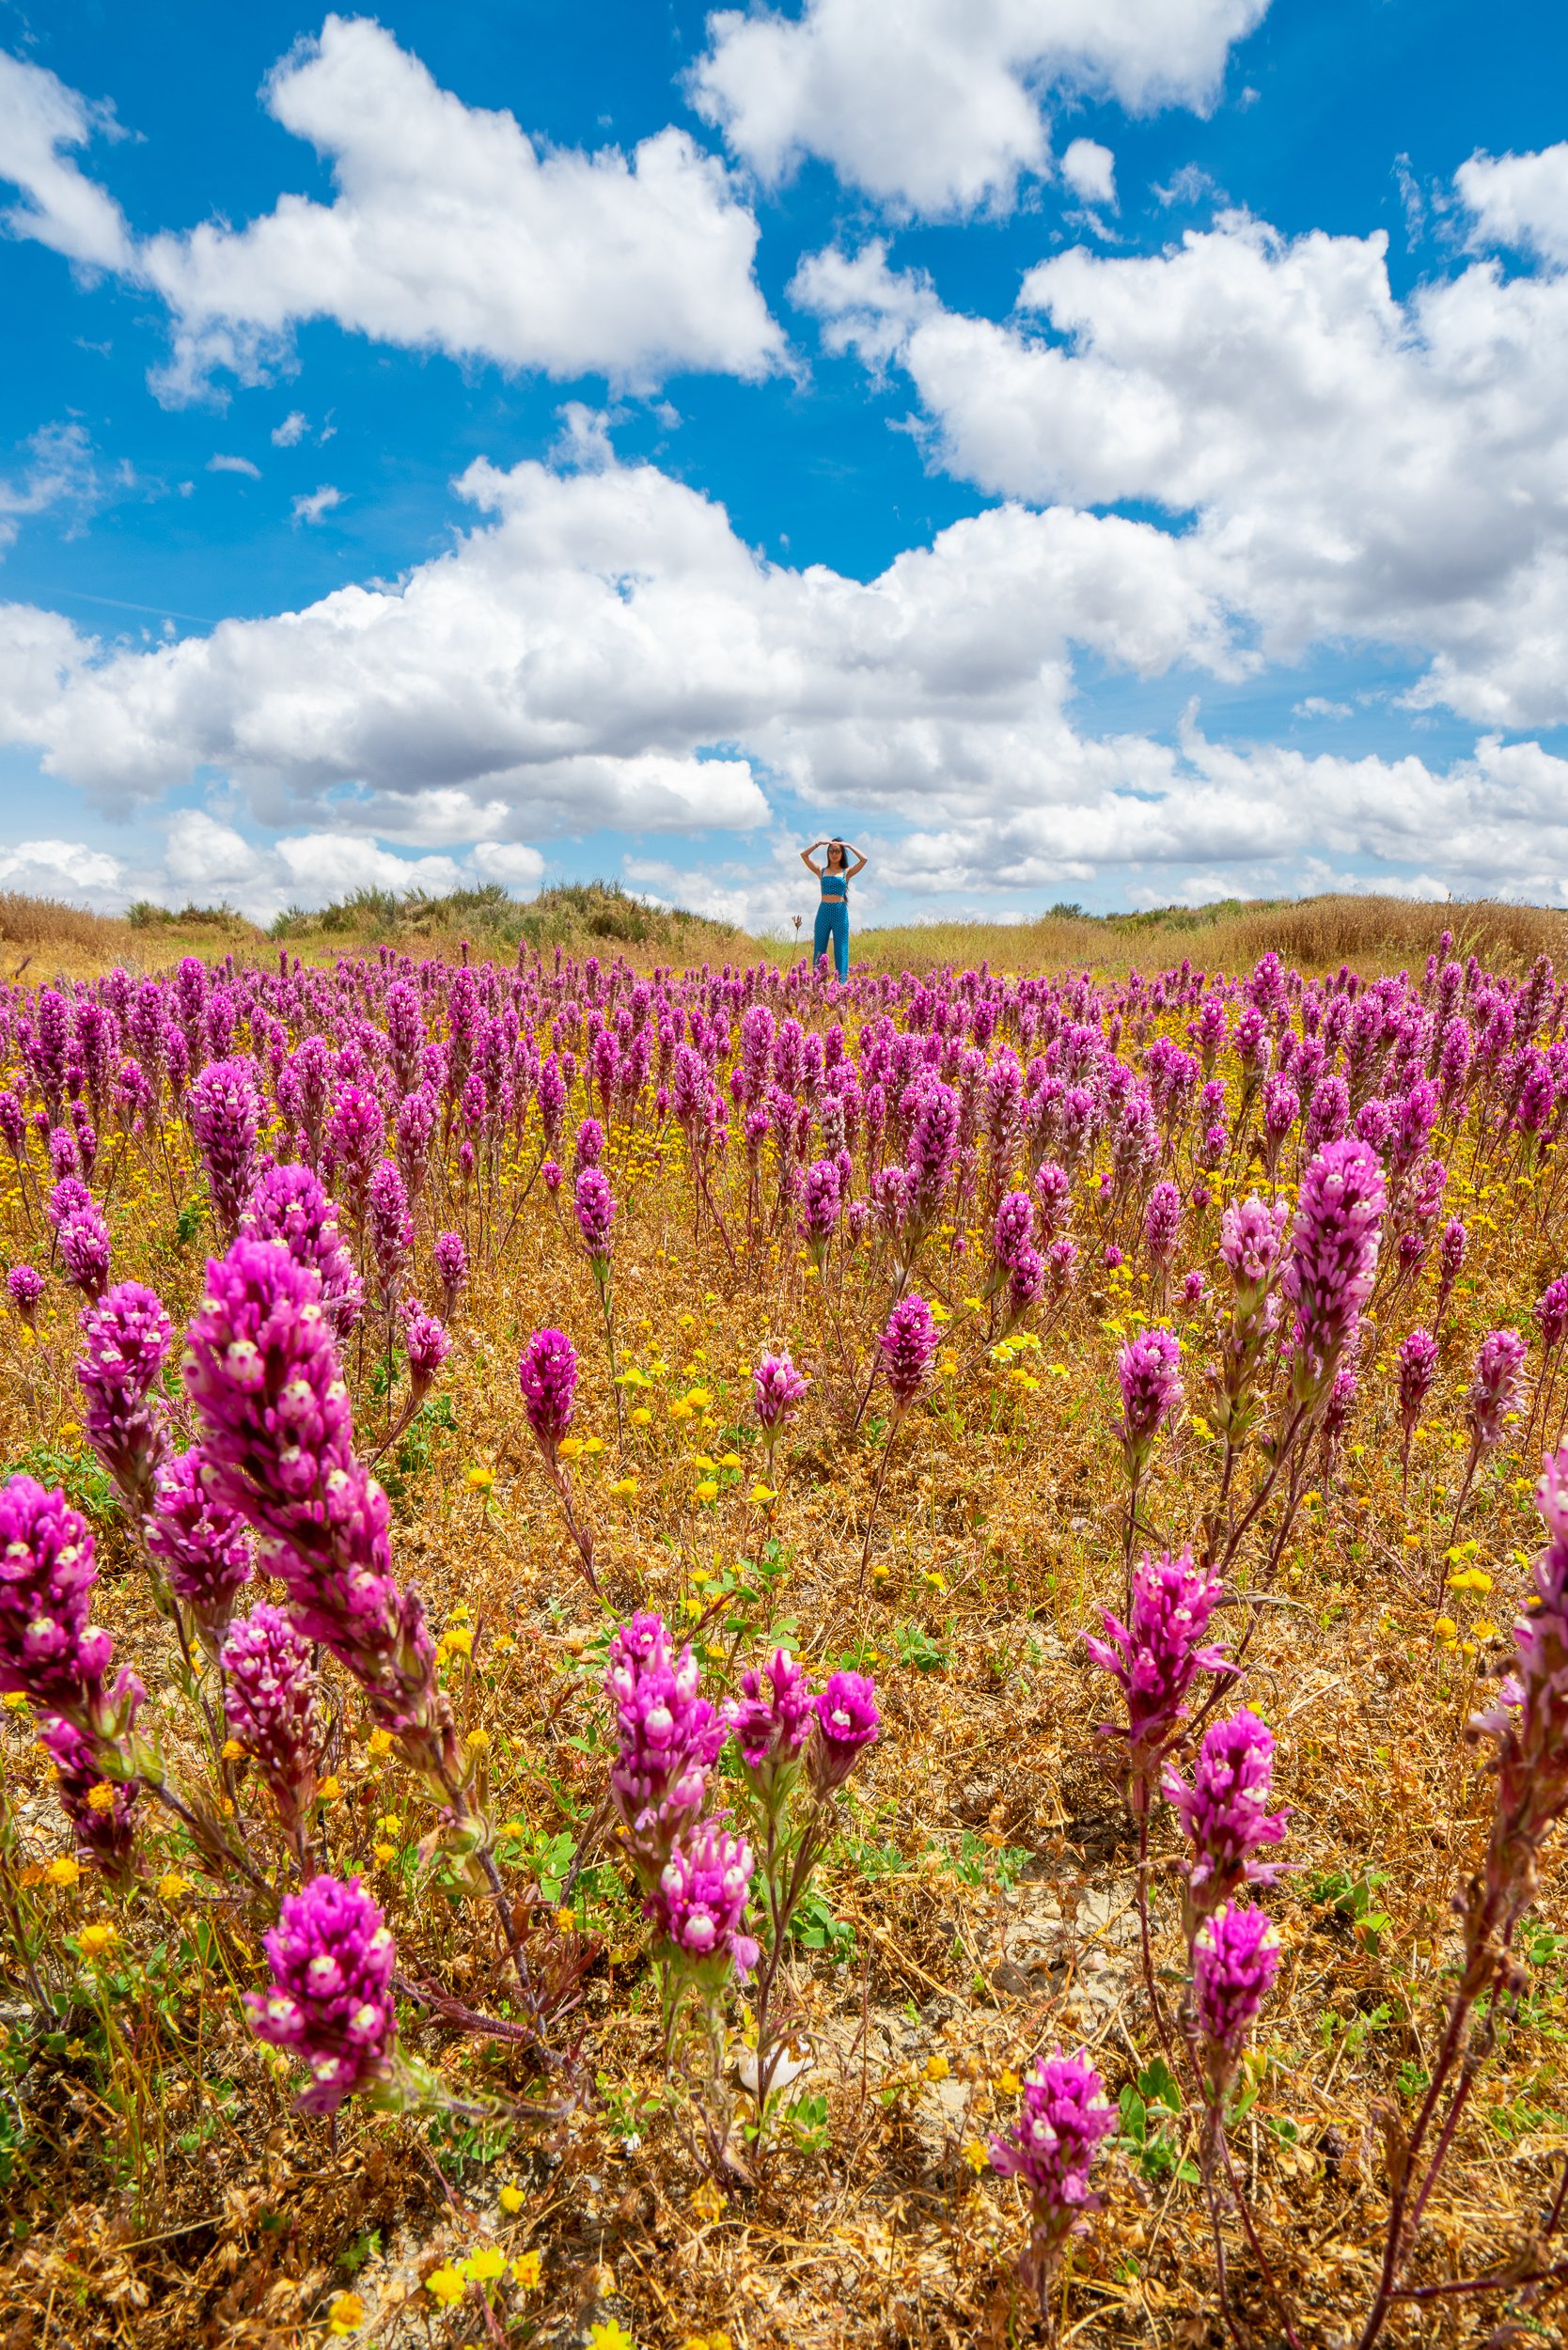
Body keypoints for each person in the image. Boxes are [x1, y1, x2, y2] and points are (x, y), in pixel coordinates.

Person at [800, 837, 866, 980]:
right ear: (828, 853)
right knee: (819, 949)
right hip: (823, 911)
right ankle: (817, 983)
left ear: (842, 853)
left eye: (837, 851)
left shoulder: (846, 872)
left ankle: (842, 985)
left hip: (840, 912)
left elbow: (864, 860)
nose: (834, 854)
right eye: (831, 850)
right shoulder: (821, 871)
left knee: (841, 949)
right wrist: (819, 844)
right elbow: (804, 855)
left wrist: (848, 845)